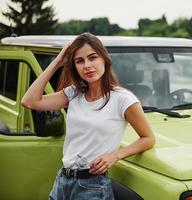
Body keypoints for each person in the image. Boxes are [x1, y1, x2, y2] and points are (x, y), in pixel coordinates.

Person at [21, 32, 155, 200]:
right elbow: (29, 101)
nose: (87, 65)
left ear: (104, 59)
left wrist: (115, 155)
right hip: (63, 181)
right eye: (79, 61)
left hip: (92, 186)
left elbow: (148, 138)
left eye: (93, 57)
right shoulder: (73, 94)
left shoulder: (122, 99)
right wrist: (57, 62)